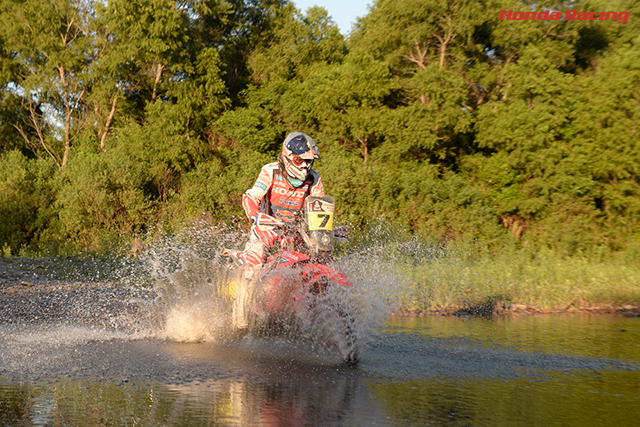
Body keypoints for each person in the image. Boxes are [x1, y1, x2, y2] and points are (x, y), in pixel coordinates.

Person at [239, 132, 324, 273]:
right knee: (257, 256)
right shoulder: (271, 171)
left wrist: (326, 230)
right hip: (268, 227)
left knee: (320, 257)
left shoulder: (314, 178)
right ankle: (247, 290)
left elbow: (319, 209)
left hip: (296, 233)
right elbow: (251, 196)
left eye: (308, 161)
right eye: (299, 160)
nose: (304, 166)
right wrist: (255, 215)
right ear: (288, 156)